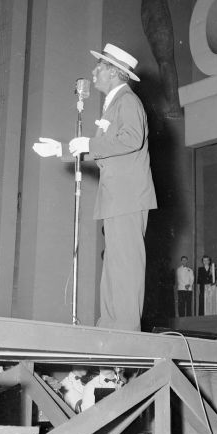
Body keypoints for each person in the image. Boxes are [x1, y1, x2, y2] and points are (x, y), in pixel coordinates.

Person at [33, 44, 157, 331]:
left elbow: (131, 139)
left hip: (127, 197)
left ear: (114, 72)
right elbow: (108, 147)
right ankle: (110, 329)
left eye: (99, 66)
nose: (94, 71)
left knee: (124, 268)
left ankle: (123, 335)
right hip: (118, 198)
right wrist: (62, 149)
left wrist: (88, 144)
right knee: (114, 268)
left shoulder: (127, 101)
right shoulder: (115, 102)